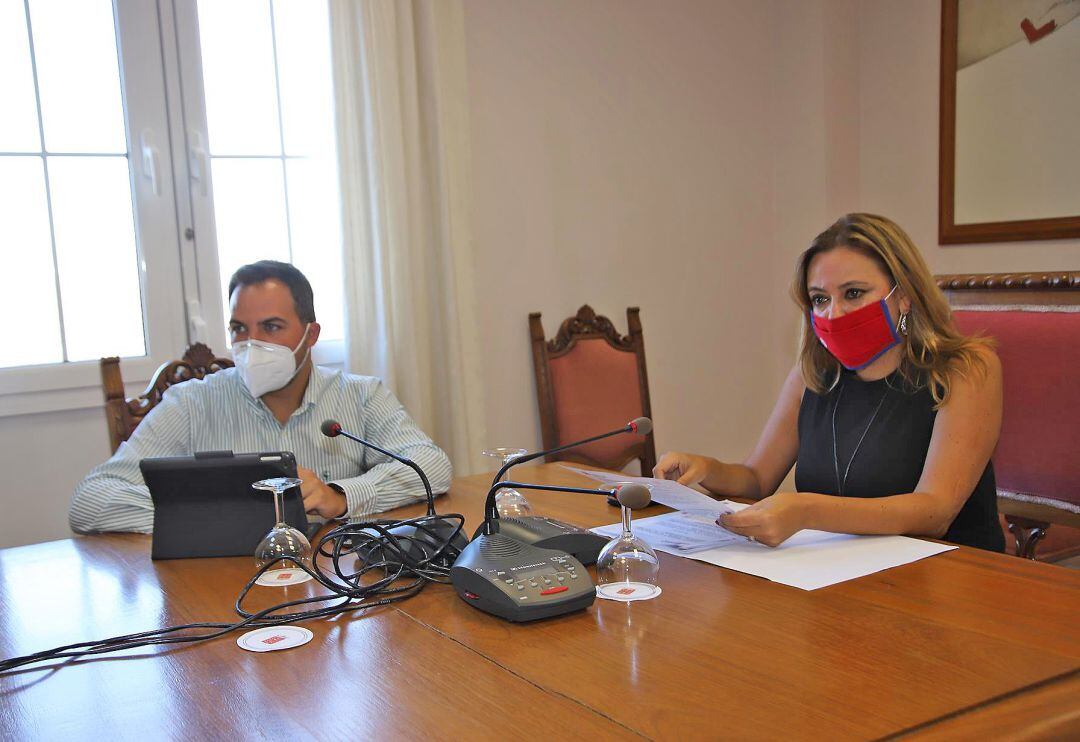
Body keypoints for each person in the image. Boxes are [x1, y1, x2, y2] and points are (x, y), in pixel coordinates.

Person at [656, 213, 1005, 551]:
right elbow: (757, 479)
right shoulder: (812, 375)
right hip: (842, 578)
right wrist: (705, 468)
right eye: (820, 299)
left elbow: (935, 511)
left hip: (952, 579)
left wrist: (806, 510)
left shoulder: (966, 369)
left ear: (905, 295)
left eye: (853, 293)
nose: (833, 314)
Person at [70, 260, 451, 534]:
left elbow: (431, 465)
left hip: (335, 585)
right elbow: (91, 499)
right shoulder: (190, 404)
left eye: (271, 327)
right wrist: (208, 514)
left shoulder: (362, 395)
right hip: (218, 590)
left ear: (311, 334)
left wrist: (341, 496)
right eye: (239, 328)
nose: (252, 343)